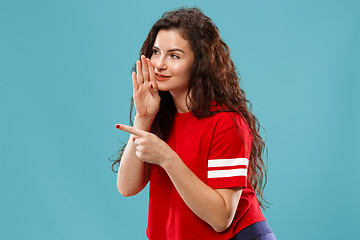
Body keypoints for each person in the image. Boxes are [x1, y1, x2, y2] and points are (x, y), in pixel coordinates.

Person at [112, 7, 276, 240]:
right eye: (156, 52)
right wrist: (143, 118)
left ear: (199, 62)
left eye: (174, 56)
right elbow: (127, 187)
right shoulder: (161, 116)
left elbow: (221, 219)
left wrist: (167, 158)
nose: (159, 64)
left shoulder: (227, 122)